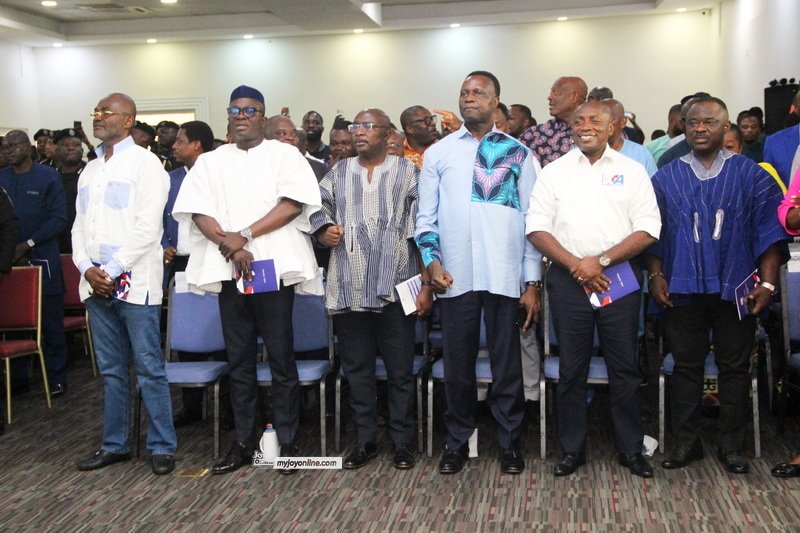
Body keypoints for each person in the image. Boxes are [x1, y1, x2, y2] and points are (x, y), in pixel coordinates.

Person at [172, 85, 321, 476]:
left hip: (272, 269)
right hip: (229, 269)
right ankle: (242, 442)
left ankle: (286, 443)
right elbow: (196, 210)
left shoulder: (285, 155)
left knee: (281, 359)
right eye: (234, 110)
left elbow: (292, 205)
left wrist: (246, 236)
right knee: (238, 361)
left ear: (263, 116)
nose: (241, 116)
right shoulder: (210, 162)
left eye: (249, 110)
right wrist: (230, 244)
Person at [646, 96, 788, 474]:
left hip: (737, 286)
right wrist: (657, 276)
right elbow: (653, 235)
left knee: (734, 367)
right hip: (682, 287)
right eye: (693, 122)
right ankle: (686, 443)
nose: (700, 129)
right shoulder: (666, 176)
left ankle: (731, 446)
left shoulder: (751, 174)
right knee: (686, 367)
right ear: (684, 126)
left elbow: (770, 236)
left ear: (726, 127)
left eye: (709, 122)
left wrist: (769, 286)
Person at [415, 70, 542, 475]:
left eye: (478, 93)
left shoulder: (519, 154)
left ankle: (509, 443)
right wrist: (431, 262)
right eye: (464, 93)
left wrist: (532, 281)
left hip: (505, 276)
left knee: (507, 365)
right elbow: (425, 219)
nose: (469, 98)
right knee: (458, 364)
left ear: (495, 101)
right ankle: (457, 441)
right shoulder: (439, 153)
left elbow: (531, 222)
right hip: (454, 276)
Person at [527, 100, 661, 478]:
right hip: (569, 281)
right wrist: (577, 265)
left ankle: (631, 449)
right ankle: (572, 450)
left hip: (618, 278)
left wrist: (599, 262)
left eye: (594, 121)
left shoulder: (632, 171)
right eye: (578, 121)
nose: (585, 126)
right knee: (571, 369)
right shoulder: (553, 172)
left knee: (624, 368)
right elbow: (537, 228)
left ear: (611, 127)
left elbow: (649, 227)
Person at [311, 108, 431, 470]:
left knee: (399, 371)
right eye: (355, 127)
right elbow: (317, 210)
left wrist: (426, 284)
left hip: (396, 286)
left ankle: (402, 443)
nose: (359, 133)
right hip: (350, 285)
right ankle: (364, 441)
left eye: (368, 127)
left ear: (386, 133)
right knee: (357, 370)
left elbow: (423, 229)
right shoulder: (339, 172)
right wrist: (324, 229)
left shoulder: (409, 172)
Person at [73, 92, 176, 475]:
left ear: (129, 120)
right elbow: (78, 226)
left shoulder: (147, 165)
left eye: (106, 112)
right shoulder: (91, 169)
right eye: (96, 111)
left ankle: (162, 446)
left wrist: (110, 270)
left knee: (149, 366)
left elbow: (149, 228)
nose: (98, 117)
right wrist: (86, 267)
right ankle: (114, 444)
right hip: (95, 282)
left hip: (134, 283)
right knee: (112, 370)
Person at [0, 131, 69, 398]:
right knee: (11, 321)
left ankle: (57, 378)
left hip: (42, 256)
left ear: (28, 148)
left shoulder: (48, 176)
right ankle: (18, 381)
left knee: (51, 322)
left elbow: (58, 219)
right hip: (8, 261)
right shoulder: (2, 177)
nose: (7, 150)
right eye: (4, 147)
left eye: (13, 145)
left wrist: (27, 243)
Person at [519, 76, 587, 167]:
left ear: (574, 97)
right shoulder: (534, 135)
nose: (549, 97)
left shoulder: (593, 134)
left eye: (556, 92)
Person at [53, 128, 86, 253]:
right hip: (57, 243)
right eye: (65, 145)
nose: (71, 148)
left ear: (82, 150)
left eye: (76, 145)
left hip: (85, 243)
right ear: (56, 150)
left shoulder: (92, 173)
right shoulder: (49, 176)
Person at [605, 99, 657, 176]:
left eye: (609, 119)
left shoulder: (641, 154)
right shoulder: (585, 153)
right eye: (596, 120)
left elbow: (654, 185)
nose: (603, 125)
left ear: (623, 122)